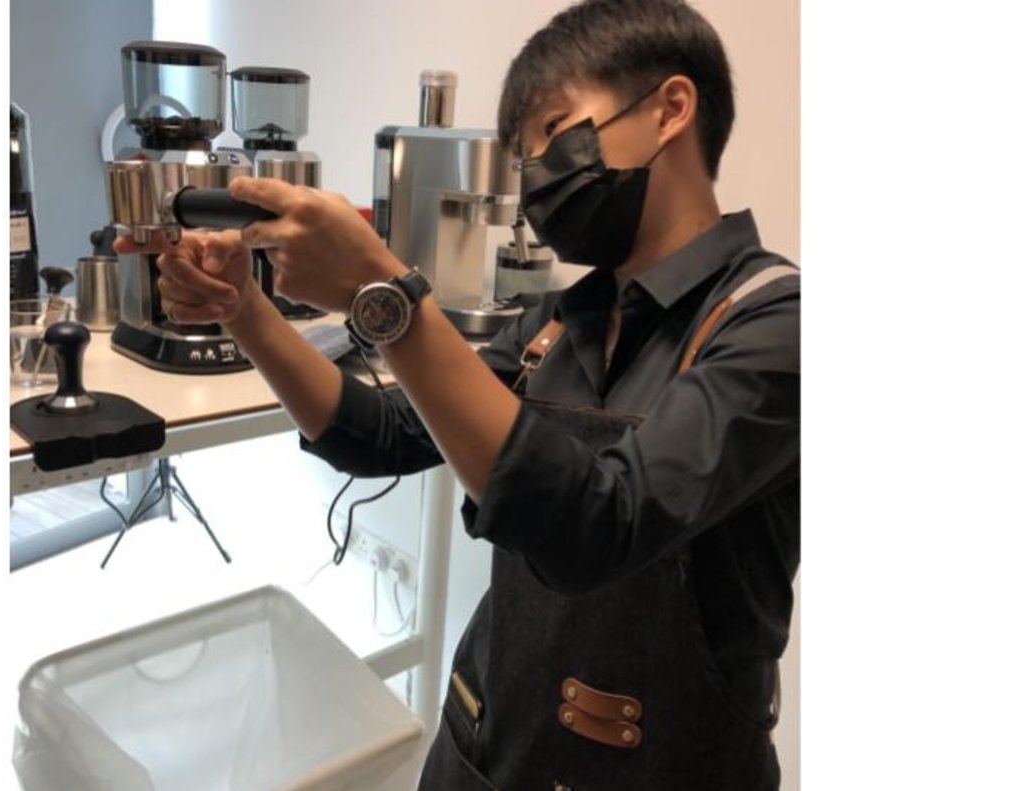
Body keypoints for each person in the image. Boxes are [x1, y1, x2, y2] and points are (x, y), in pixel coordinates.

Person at [115, 0, 799, 787]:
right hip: (483, 747)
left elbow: (600, 526)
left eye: (553, 128)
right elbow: (382, 435)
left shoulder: (776, 324)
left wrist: (386, 296)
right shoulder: (555, 323)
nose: (534, 172)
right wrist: (246, 310)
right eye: (522, 154)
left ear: (669, 109)